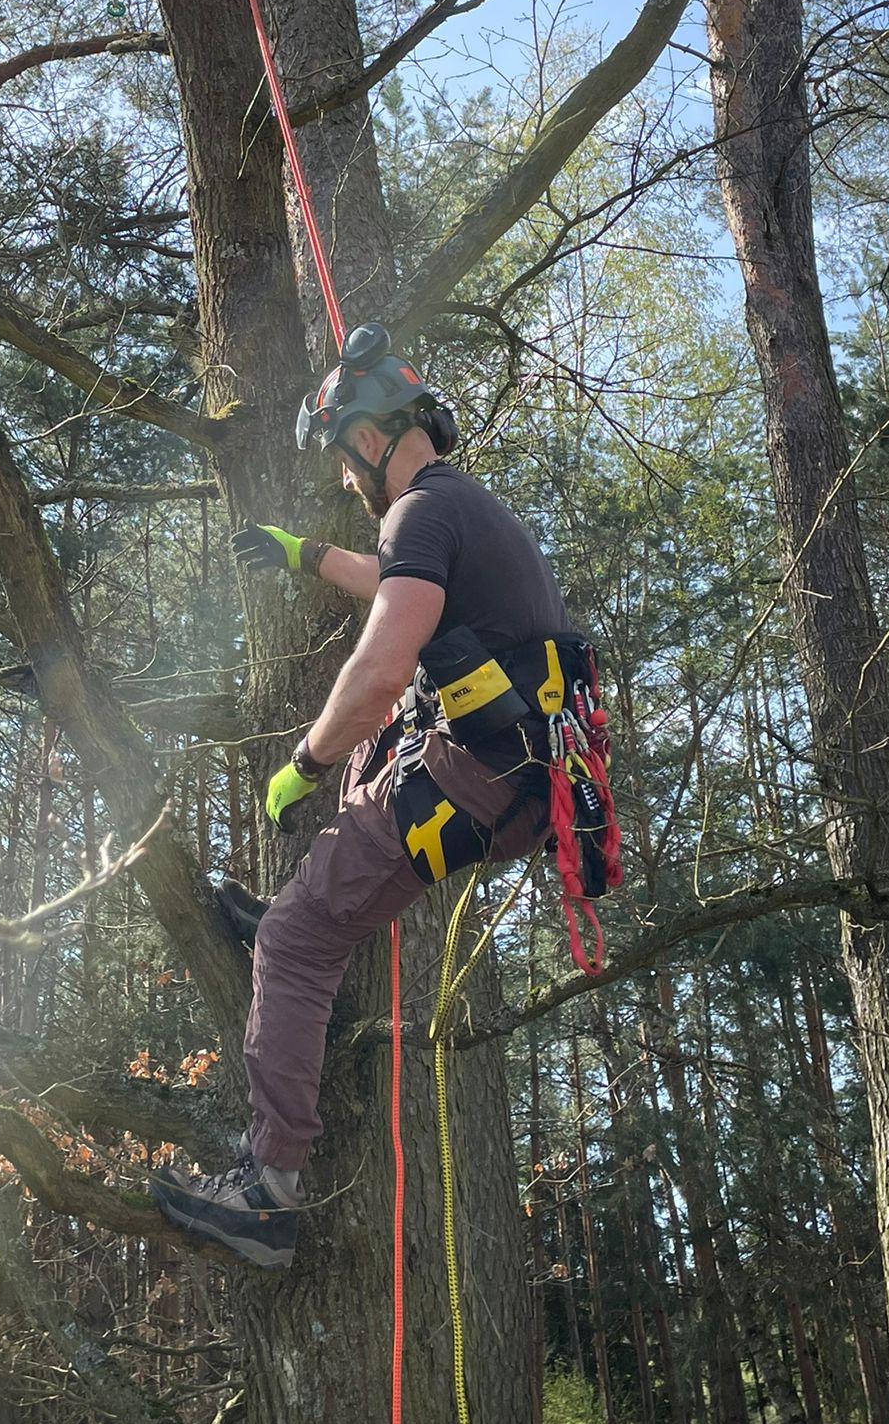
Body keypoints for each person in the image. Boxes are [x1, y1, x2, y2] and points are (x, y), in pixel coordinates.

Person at [150, 326, 586, 1269]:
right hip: (508, 780)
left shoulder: (417, 514)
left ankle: (267, 1190)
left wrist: (303, 761)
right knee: (351, 840)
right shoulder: (456, 509)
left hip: (476, 775)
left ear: (368, 437)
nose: (349, 483)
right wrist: (304, 554)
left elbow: (384, 662)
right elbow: (395, 589)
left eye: (347, 462)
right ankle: (297, 912)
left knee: (298, 936)